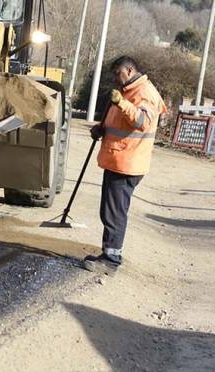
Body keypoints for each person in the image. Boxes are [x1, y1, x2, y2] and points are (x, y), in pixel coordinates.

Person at [84, 56, 167, 274]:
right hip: (119, 159)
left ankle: (111, 259)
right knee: (109, 211)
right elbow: (119, 123)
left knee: (115, 213)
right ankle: (109, 253)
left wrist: (122, 103)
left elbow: (142, 122)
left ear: (129, 70)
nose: (115, 78)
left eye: (117, 73)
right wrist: (101, 129)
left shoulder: (144, 93)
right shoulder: (129, 91)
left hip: (128, 163)